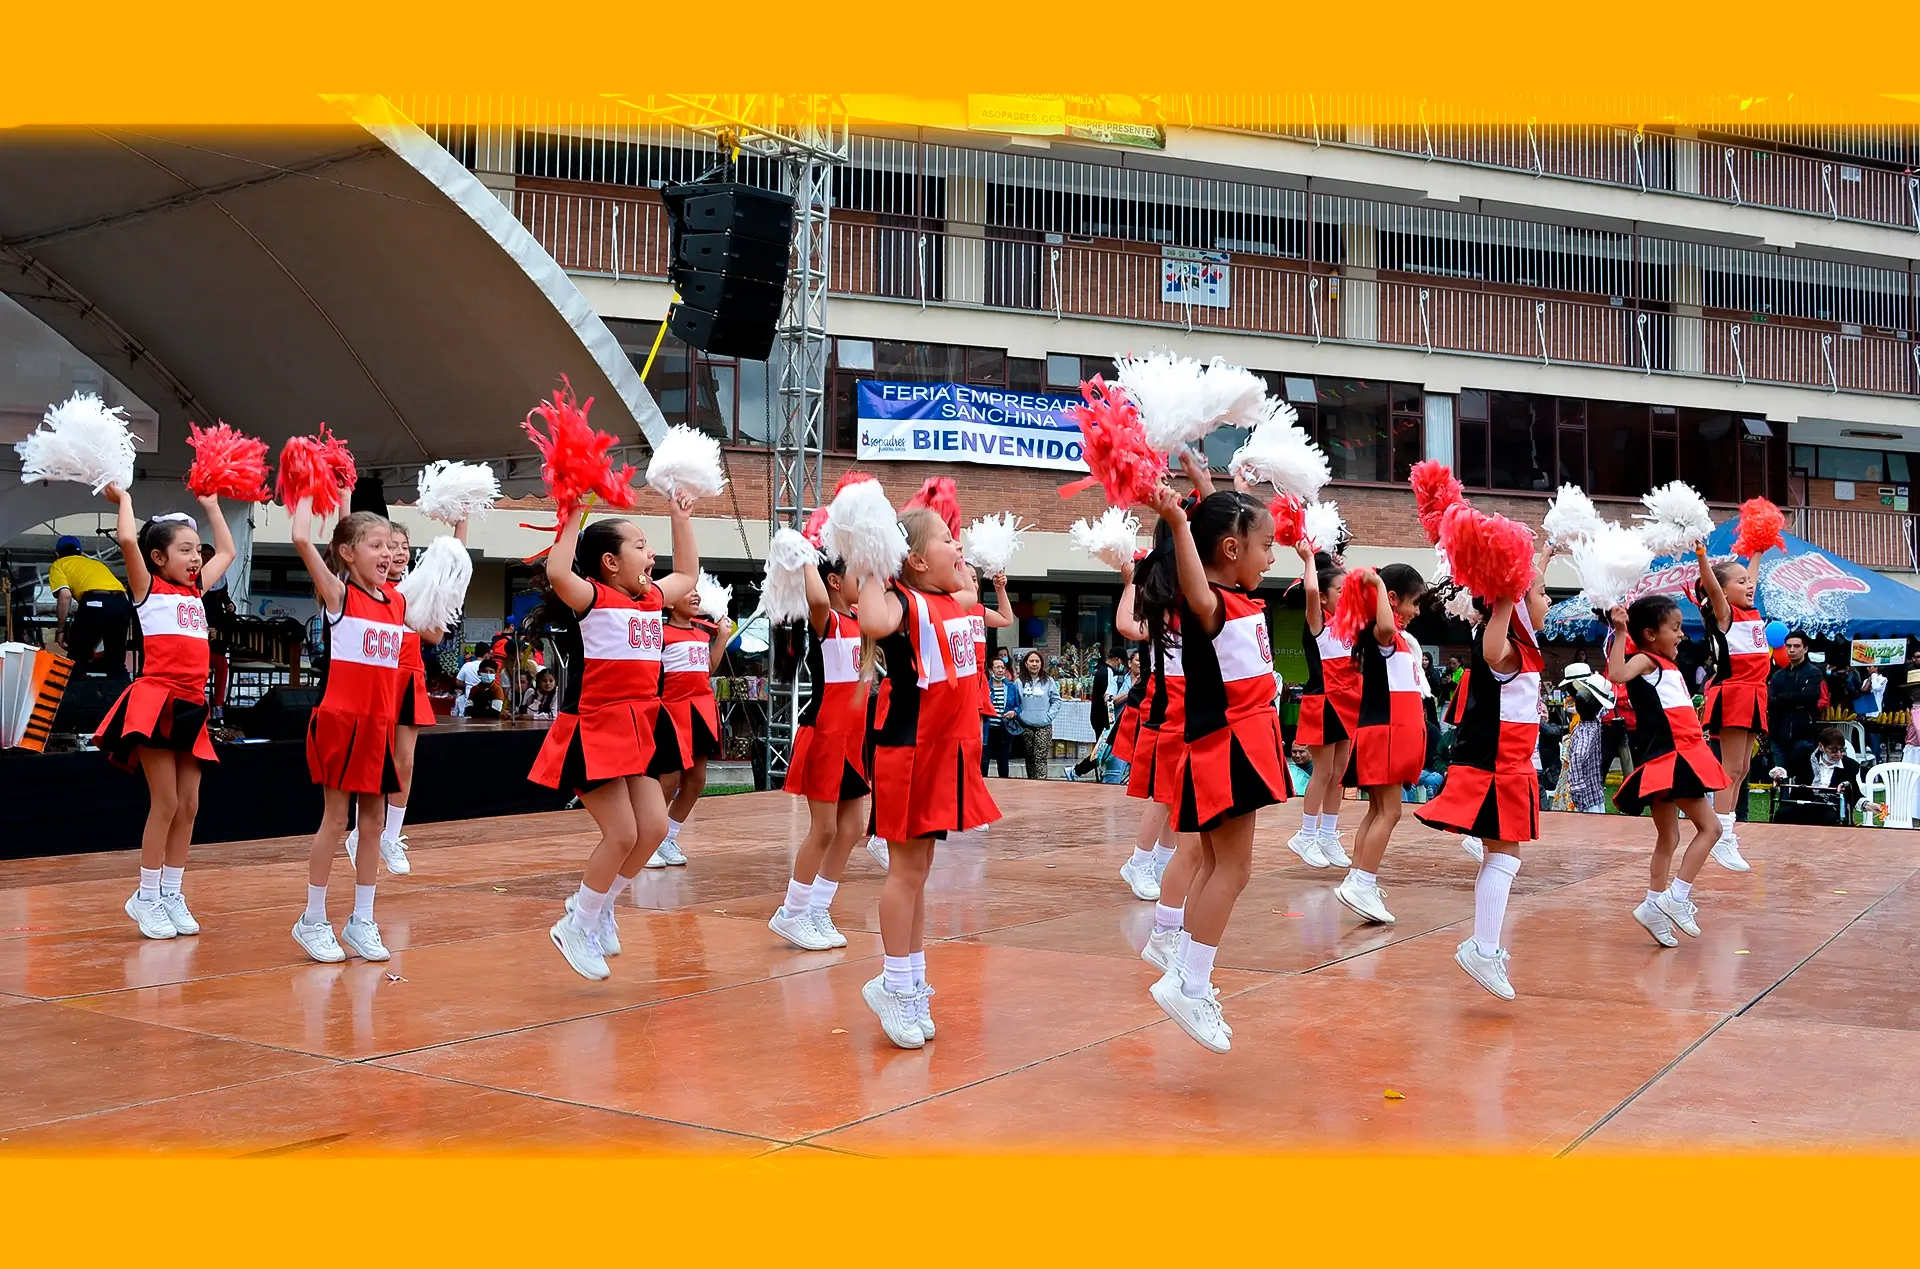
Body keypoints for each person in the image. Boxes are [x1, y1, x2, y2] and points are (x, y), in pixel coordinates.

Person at [1138, 482, 1285, 1053]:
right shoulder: (1211, 603)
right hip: (1227, 749)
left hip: (1238, 744)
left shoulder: (1241, 598)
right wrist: (1177, 519)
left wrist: (1204, 481)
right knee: (1234, 870)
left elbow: (1224, 514)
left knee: (1216, 865)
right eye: (1265, 545)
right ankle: (1190, 983)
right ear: (1230, 550)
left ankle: (1184, 971)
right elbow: (1200, 589)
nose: (1271, 555)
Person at [529, 497, 700, 981]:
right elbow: (559, 571)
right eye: (641, 547)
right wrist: (572, 510)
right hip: (594, 729)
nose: (652, 556)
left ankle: (598, 906)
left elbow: (687, 574)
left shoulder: (650, 600)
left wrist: (680, 518)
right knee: (622, 832)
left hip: (639, 729)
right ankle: (575, 924)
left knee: (652, 829)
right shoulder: (592, 599)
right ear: (610, 562)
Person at [857, 504, 1000, 1049]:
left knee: (920, 872)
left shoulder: (953, 600)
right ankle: (893, 982)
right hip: (909, 751)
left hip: (944, 752)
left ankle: (911, 979)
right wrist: (873, 557)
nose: (958, 544)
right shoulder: (902, 604)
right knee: (904, 872)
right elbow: (871, 620)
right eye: (947, 539)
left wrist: (967, 559)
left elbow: (970, 590)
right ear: (914, 559)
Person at [94, 488, 234, 940]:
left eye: (197, 551)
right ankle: (146, 895)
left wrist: (212, 505)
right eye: (186, 550)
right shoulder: (148, 589)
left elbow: (228, 550)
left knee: (190, 806)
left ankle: (172, 892)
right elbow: (128, 540)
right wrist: (125, 498)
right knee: (167, 802)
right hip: (157, 703)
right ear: (159, 557)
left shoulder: (197, 590)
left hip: (193, 706)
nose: (196, 558)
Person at [1416, 540, 1549, 1002]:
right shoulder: (1505, 645)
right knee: (1506, 856)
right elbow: (1493, 652)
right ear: (1517, 604)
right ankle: (1482, 947)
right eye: (1541, 592)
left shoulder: (1525, 643)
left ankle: (1484, 945)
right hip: (1496, 766)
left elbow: (1525, 604)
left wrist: (1541, 556)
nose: (1547, 597)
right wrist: (1511, 592)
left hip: (1507, 764)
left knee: (1503, 855)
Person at [287, 501, 407, 964]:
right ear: (347, 553)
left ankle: (362, 920)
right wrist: (304, 489)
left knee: (372, 825)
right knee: (336, 821)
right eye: (374, 545)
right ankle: (313, 919)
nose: (385, 553)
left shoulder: (397, 601)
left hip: (378, 724)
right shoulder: (338, 596)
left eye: (389, 545)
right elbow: (301, 538)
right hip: (341, 721)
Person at [1607, 595, 1730, 949]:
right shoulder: (1646, 660)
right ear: (1648, 634)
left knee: (1669, 838)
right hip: (1675, 759)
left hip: (1671, 757)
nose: (1680, 635)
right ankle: (1677, 896)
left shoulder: (1665, 664)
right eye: (1674, 628)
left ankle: (1652, 905)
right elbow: (1616, 673)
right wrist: (1619, 632)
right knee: (1712, 827)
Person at [770, 549, 870, 951]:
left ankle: (817, 909)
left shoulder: (863, 620)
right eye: (856, 577)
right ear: (834, 582)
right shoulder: (826, 621)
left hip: (853, 737)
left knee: (852, 828)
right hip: (826, 734)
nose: (864, 584)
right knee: (825, 828)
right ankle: (791, 913)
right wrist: (808, 556)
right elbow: (815, 600)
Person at [345, 521, 456, 879]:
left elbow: (436, 635)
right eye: (390, 546)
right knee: (374, 759)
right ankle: (363, 831)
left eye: (404, 546)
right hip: (376, 678)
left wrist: (460, 520)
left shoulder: (413, 592)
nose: (398, 552)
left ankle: (389, 836)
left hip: (410, 676)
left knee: (404, 760)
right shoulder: (369, 589)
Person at [1333, 563, 1429, 926]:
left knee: (1377, 811)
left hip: (1384, 731)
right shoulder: (1381, 634)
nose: (1416, 611)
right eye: (1413, 603)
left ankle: (1359, 877)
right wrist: (1373, 583)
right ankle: (1362, 880)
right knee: (1390, 811)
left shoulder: (1393, 638)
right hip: (1385, 732)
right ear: (1391, 599)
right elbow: (1387, 624)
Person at [646, 588, 730, 868]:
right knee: (668, 782)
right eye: (687, 592)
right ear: (668, 602)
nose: (695, 596)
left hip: (701, 712)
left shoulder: (702, 633)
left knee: (696, 781)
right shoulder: (660, 634)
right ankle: (648, 839)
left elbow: (707, 669)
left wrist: (722, 639)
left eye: (697, 591)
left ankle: (668, 836)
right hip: (671, 714)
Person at [1288, 548, 1356, 870]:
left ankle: (1328, 835)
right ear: (1325, 600)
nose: (1346, 595)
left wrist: (1341, 569)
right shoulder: (1319, 622)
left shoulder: (1351, 624)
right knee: (1324, 771)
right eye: (1340, 591)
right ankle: (1306, 833)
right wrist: (1309, 560)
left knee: (1339, 774)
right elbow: (1312, 589)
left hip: (1349, 702)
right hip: (1324, 700)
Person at [1692, 545, 1759, 872]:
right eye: (1741, 582)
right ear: (1723, 591)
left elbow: (1751, 576)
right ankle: (1722, 833)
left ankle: (1727, 830)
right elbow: (1713, 585)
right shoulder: (1725, 614)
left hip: (1755, 693)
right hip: (1735, 692)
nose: (1749, 585)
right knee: (1730, 769)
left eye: (1750, 581)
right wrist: (1703, 556)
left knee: (1743, 768)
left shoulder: (1750, 610)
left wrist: (1758, 549)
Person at [49, 534, 132, 675]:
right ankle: (122, 694)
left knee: (77, 661)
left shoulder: (59, 564)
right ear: (81, 553)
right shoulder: (96, 563)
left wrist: (61, 630)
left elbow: (65, 596)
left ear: (56, 554)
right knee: (116, 661)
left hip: (94, 602)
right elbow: (106, 611)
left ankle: (76, 694)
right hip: (121, 603)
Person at [1768, 632, 1824, 783]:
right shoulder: (1778, 675)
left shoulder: (1813, 672)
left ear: (1805, 649)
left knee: (1802, 777)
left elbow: (1808, 697)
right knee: (1780, 778)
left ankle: (1799, 805)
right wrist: (1793, 699)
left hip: (1803, 733)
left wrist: (1784, 698)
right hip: (1778, 732)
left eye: (1796, 646)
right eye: (1789, 646)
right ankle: (1783, 805)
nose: (1792, 650)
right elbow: (1770, 700)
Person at [198, 543, 235, 718]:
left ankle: (218, 704)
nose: (207, 559)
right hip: (198, 630)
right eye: (203, 555)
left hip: (216, 625)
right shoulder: (193, 577)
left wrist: (229, 604)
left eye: (210, 555)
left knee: (222, 664)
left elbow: (224, 596)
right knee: (201, 666)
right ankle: (199, 704)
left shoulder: (219, 576)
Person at [1014, 648, 1062, 779]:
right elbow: (1015, 702)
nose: (1034, 664)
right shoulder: (1019, 682)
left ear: (1041, 664)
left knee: (1040, 758)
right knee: (1029, 758)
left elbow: (1056, 701)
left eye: (1037, 661)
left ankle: (1041, 784)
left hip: (1044, 726)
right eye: (1031, 661)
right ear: (1026, 664)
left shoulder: (1048, 681)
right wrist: (1020, 716)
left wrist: (1049, 716)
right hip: (1026, 726)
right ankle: (1031, 784)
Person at [982, 656, 1018, 777]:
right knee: (984, 761)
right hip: (987, 729)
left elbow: (1018, 706)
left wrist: (1013, 712)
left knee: (1003, 762)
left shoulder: (1011, 687)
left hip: (1004, 729)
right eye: (997, 667)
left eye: (1002, 667)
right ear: (991, 670)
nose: (1000, 670)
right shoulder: (984, 687)